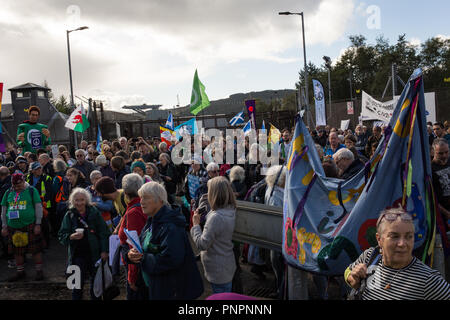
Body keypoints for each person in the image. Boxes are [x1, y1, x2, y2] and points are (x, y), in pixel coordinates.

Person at [345, 207, 450, 299]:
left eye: (409, 236)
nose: (402, 243)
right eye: (394, 236)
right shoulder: (370, 256)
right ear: (379, 239)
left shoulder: (429, 280)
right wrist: (352, 277)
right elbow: (349, 271)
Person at [125, 181, 204, 300]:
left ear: (160, 200)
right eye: (141, 198)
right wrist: (131, 255)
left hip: (171, 290)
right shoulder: (152, 220)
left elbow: (171, 259)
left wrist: (142, 258)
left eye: (146, 198)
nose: (141, 202)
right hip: (154, 285)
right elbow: (143, 246)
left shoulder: (171, 226)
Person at [58, 188, 110, 300]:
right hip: (76, 256)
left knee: (96, 286)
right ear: (72, 201)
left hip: (94, 255)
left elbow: (104, 232)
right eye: (76, 200)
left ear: (86, 200)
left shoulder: (94, 212)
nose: (79, 203)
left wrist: (104, 250)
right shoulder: (69, 215)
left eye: (82, 200)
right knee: (76, 287)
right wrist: (71, 236)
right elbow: (62, 235)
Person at [190, 177, 236, 294]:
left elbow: (202, 244)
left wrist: (195, 225)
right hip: (226, 263)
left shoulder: (216, 217)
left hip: (217, 269)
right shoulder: (230, 209)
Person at [1, 173, 44, 281]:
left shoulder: (31, 190)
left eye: (19, 185)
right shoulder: (8, 192)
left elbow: (38, 207)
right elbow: (4, 210)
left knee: (35, 250)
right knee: (17, 251)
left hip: (30, 224)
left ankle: (39, 271)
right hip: (13, 227)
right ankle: (20, 272)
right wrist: (4, 226)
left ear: (23, 182)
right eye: (14, 186)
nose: (17, 188)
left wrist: (38, 224)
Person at [117, 173, 148, 300]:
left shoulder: (134, 211)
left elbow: (134, 247)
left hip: (137, 267)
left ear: (125, 192)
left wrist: (132, 278)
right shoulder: (141, 206)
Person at [25, 162, 53, 248]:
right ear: (32, 170)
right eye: (37, 169)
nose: (39, 170)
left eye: (40, 168)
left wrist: (42, 202)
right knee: (33, 224)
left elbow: (49, 193)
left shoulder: (47, 178)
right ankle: (36, 243)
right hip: (31, 204)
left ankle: (46, 244)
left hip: (44, 205)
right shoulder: (28, 177)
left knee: (44, 225)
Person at [431, 138, 450, 234]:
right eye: (440, 153)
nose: (444, 156)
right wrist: (446, 213)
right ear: (433, 152)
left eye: (446, 152)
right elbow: (431, 197)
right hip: (442, 216)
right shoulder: (430, 169)